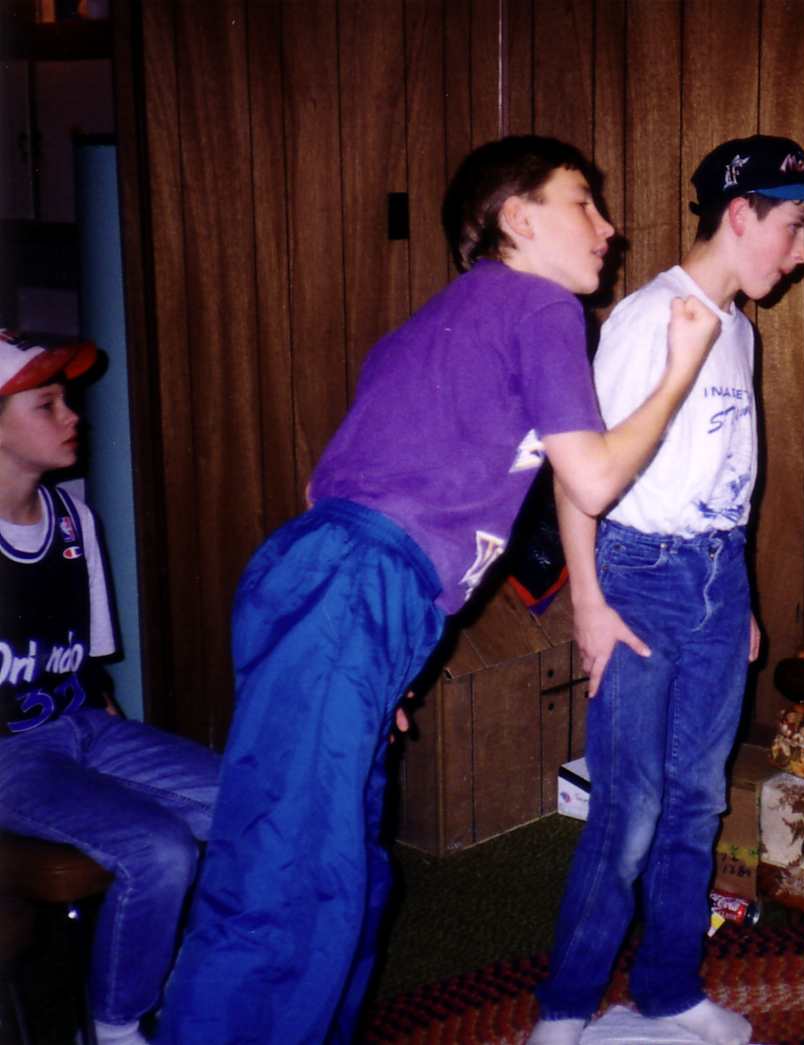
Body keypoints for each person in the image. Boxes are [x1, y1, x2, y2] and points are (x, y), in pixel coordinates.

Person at [156, 135, 723, 1044]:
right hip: (356, 588)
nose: (609, 227)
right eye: (584, 202)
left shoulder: (441, 320)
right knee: (286, 880)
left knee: (347, 871)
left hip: (344, 588)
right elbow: (592, 480)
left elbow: (326, 484)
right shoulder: (539, 304)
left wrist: (374, 662)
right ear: (518, 218)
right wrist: (682, 366)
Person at [527, 134, 804, 1045]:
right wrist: (589, 603)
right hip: (638, 577)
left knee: (699, 799)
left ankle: (669, 986)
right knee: (629, 806)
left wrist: (738, 597)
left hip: (715, 579)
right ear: (740, 213)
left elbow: (727, 474)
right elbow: (575, 474)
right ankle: (565, 1005)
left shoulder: (739, 329)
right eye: (795, 228)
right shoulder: (646, 319)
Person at [0, 330, 221, 1045]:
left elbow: (92, 671)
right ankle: (115, 1029)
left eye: (65, 399)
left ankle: (205, 985)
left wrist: (122, 754)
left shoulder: (74, 520)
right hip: (8, 758)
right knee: (159, 849)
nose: (73, 416)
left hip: (85, 728)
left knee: (246, 798)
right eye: (47, 404)